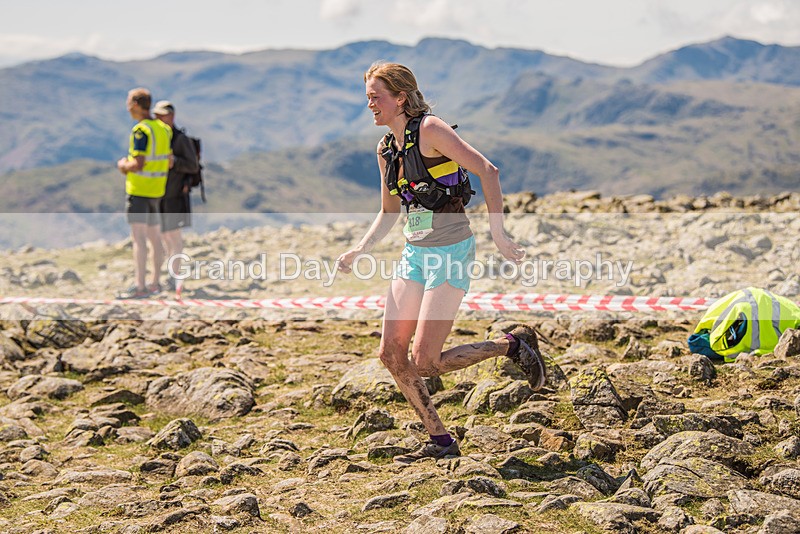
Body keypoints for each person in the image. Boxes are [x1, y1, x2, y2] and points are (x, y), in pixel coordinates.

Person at [336, 62, 547, 463]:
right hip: (414, 254)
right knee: (390, 354)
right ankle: (441, 441)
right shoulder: (385, 149)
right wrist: (360, 249)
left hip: (451, 251)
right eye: (367, 98)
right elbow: (389, 210)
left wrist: (498, 233)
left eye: (375, 98)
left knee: (426, 362)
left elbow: (488, 170)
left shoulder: (431, 130)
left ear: (400, 97)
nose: (370, 106)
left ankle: (512, 345)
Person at [116, 88, 173, 299]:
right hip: (157, 189)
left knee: (139, 240)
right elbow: (169, 160)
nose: (128, 107)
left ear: (137, 105)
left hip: (139, 190)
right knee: (155, 238)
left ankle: (140, 286)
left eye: (130, 102)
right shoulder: (163, 129)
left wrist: (123, 165)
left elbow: (138, 163)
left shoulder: (141, 131)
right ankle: (155, 282)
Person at [152, 100, 199, 292]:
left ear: (171, 116)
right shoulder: (161, 137)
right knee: (164, 235)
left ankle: (175, 276)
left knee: (174, 236)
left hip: (176, 196)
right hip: (161, 194)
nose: (158, 119)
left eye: (162, 115)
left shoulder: (180, 139)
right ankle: (170, 274)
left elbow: (193, 166)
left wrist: (175, 162)